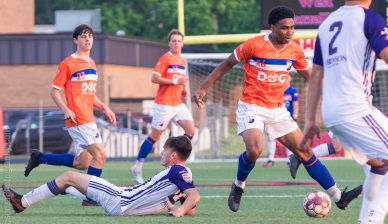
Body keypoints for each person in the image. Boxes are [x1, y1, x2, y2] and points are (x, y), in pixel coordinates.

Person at [194, 6, 362, 213]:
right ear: (272, 27)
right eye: (284, 28)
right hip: (251, 106)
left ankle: (338, 196)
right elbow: (226, 64)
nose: (289, 32)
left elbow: (312, 78)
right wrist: (203, 88)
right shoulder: (253, 45)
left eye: (292, 28)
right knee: (255, 149)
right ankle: (238, 185)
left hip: (278, 109)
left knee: (305, 152)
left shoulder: (295, 50)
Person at [300, 0, 388, 223]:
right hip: (355, 109)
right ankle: (370, 219)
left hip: (333, 112)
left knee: (378, 166)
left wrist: (310, 119)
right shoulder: (370, 19)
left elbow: (317, 74)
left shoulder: (327, 23)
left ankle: (369, 217)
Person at [23, 24, 116, 205]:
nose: (87, 39)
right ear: (75, 40)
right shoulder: (68, 63)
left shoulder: (92, 63)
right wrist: (66, 109)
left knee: (82, 163)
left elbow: (90, 94)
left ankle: (39, 158)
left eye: (90, 36)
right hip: (78, 118)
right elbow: (54, 91)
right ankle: (91, 197)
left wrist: (105, 108)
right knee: (100, 156)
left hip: (88, 117)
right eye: (83, 36)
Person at [3, 136, 200, 217]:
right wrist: (174, 206)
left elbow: (194, 197)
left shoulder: (177, 171)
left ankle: (22, 202)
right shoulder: (183, 175)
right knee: (69, 185)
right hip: (122, 203)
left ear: (174, 156)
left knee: (68, 176)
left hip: (119, 198)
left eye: (165, 150)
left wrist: (179, 210)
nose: (162, 153)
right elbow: (192, 207)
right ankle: (59, 191)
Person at [131, 29, 196, 184]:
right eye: (173, 41)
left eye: (179, 41)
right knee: (155, 136)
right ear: (169, 43)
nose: (176, 43)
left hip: (177, 103)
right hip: (164, 104)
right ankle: (137, 166)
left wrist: (183, 92)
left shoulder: (183, 61)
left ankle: (174, 160)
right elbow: (154, 78)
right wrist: (175, 82)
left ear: (182, 43)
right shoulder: (166, 58)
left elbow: (179, 81)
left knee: (191, 131)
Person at [263, 76, 298, 167]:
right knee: (271, 137)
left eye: (287, 78)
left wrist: (295, 116)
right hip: (276, 116)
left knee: (289, 139)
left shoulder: (292, 91)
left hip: (288, 118)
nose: (286, 80)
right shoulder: (277, 90)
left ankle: (289, 159)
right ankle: (270, 159)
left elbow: (295, 104)